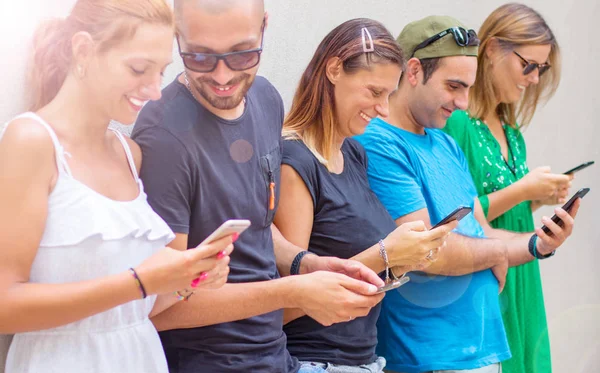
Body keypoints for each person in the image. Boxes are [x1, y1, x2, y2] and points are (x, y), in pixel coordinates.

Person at [131, 1, 385, 372]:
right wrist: (291, 291)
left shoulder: (265, 99)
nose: (221, 76)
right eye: (200, 56)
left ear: (265, 27)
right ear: (176, 35)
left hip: (278, 359)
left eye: (242, 54)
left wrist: (307, 264)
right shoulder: (163, 138)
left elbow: (255, 227)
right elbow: (159, 308)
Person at [0, 1, 235, 372]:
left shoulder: (130, 154)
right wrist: (141, 282)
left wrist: (187, 281)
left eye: (161, 72)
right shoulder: (30, 141)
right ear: (82, 50)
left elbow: (131, 309)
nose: (155, 91)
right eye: (139, 69)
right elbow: (4, 307)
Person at [354, 15, 580, 373]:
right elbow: (424, 250)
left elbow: (479, 231)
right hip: (424, 356)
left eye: (468, 89)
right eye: (454, 86)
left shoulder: (444, 143)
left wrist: (538, 244)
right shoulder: (378, 142)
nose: (463, 102)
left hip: (478, 352)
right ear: (413, 71)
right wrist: (494, 254)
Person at [273, 18, 455, 373]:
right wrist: (384, 253)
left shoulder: (354, 154)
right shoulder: (294, 163)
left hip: (365, 361)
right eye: (374, 93)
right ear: (334, 69)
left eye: (388, 95)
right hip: (314, 362)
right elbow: (282, 304)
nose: (384, 109)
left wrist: (400, 261)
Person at [442, 4, 570, 373]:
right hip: (488, 274)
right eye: (528, 65)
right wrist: (523, 190)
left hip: (524, 267)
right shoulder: (460, 125)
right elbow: (460, 214)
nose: (533, 78)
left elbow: (501, 209)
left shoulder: (513, 135)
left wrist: (535, 199)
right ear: (493, 48)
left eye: (540, 70)